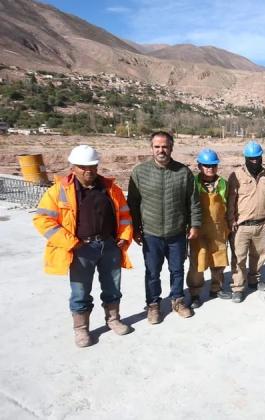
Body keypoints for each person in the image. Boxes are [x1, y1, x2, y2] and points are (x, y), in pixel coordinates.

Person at [33, 145, 134, 347]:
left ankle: (113, 319)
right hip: (80, 249)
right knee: (80, 291)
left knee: (113, 287)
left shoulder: (110, 189)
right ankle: (81, 330)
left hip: (109, 246)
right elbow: (42, 219)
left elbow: (124, 215)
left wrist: (124, 236)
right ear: (73, 168)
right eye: (83, 167)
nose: (89, 171)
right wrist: (71, 243)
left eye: (93, 166)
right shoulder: (59, 191)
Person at [128, 131, 201, 324]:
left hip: (176, 232)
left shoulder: (183, 172)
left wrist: (194, 224)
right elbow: (133, 204)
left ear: (171, 148)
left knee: (177, 270)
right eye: (157, 146)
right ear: (151, 148)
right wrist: (134, 229)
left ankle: (177, 300)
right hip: (151, 234)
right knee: (152, 272)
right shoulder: (139, 172)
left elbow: (193, 201)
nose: (161, 150)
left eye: (165, 146)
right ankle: (153, 305)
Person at [226, 141, 265, 302]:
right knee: (239, 258)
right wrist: (230, 219)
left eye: (257, 157)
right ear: (246, 158)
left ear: (261, 157)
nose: (255, 160)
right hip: (241, 225)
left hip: (262, 224)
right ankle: (238, 287)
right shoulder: (236, 175)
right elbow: (230, 200)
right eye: (251, 158)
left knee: (259, 255)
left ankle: (254, 279)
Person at [186, 148, 229, 308]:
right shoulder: (193, 183)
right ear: (199, 166)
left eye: (213, 165)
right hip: (198, 229)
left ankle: (216, 288)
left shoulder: (223, 183)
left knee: (219, 261)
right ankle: (195, 294)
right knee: (198, 262)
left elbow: (228, 206)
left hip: (218, 229)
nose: (210, 168)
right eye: (206, 165)